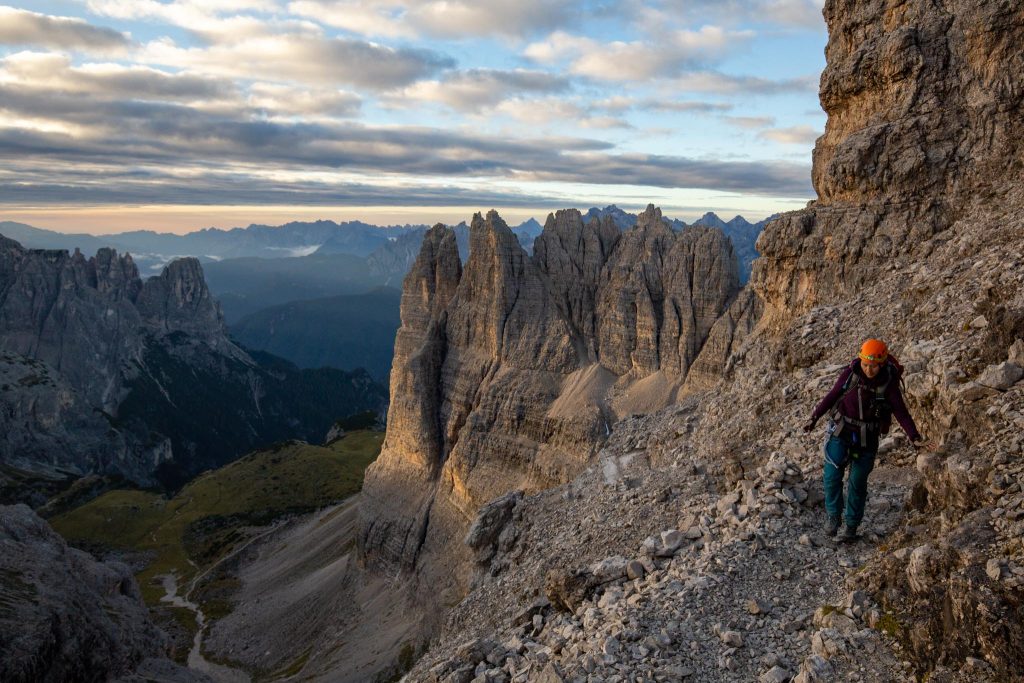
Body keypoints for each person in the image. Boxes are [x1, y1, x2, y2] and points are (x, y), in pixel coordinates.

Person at [802, 339, 933, 541]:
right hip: (841, 431)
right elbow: (833, 395)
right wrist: (814, 417)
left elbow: (901, 412)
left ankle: (851, 527)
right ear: (860, 360)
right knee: (831, 476)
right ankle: (833, 517)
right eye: (865, 364)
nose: (869, 370)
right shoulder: (850, 374)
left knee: (857, 482)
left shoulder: (888, 383)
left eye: (873, 366)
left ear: (881, 364)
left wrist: (914, 437)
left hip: (867, 437)